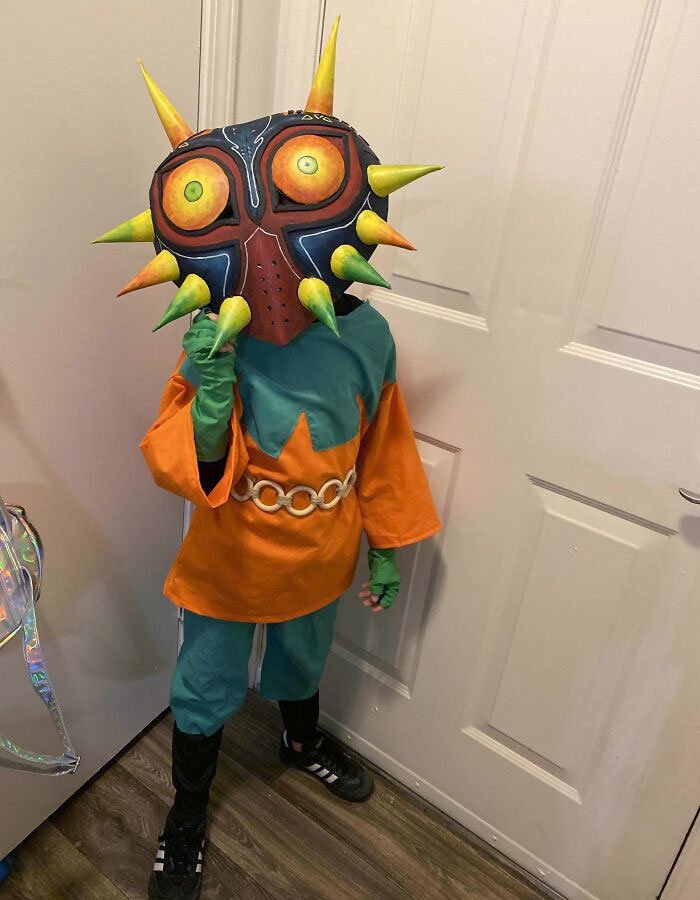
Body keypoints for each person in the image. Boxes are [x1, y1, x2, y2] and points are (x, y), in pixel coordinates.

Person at [94, 19, 442, 899]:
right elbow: (184, 463)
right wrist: (211, 393)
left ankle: (299, 736)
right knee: (205, 685)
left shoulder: (369, 339)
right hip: (230, 563)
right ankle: (186, 815)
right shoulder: (217, 337)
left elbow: (385, 445)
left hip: (321, 554)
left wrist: (387, 546)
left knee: (302, 660)